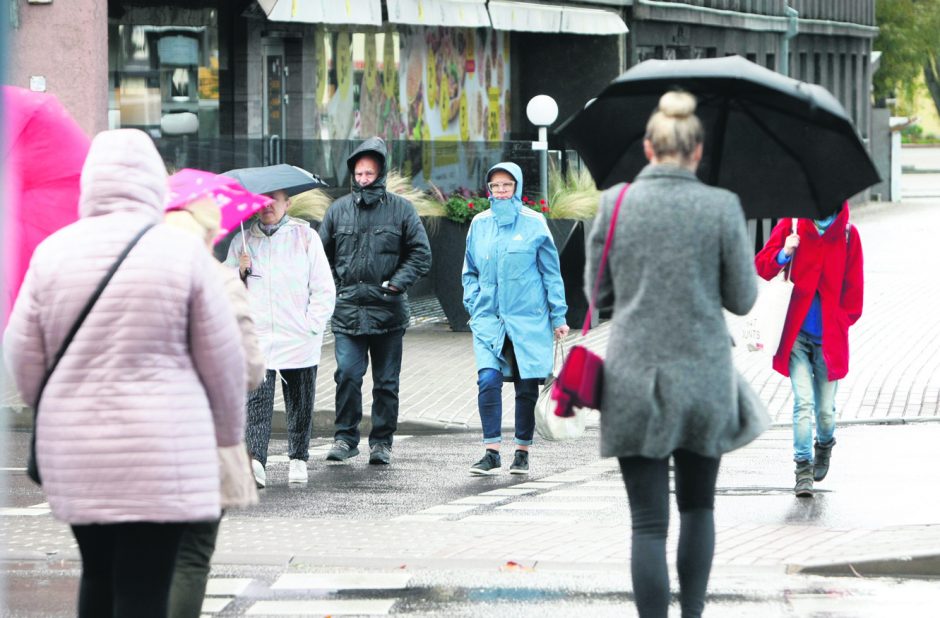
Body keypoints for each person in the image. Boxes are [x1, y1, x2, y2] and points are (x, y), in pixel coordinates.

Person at [3, 129, 247, 618]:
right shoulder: (184, 255)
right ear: (153, 182)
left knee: (97, 571)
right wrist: (225, 434)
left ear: (92, 183)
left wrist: (48, 406)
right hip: (163, 452)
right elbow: (224, 362)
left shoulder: (53, 253)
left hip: (76, 451)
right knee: (146, 585)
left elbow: (21, 357)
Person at [584, 92, 766, 618]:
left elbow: (599, 297)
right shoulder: (721, 206)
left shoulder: (614, 203)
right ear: (698, 151)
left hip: (633, 378)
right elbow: (742, 298)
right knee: (698, 508)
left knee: (646, 524)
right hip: (704, 378)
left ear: (647, 147)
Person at [165, 194, 266, 618]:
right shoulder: (219, 282)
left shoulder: (131, 278)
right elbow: (251, 369)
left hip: (136, 442)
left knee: (137, 561)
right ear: (210, 235)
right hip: (201, 439)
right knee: (191, 557)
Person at [318, 136, 432, 465]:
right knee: (348, 375)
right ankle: (345, 437)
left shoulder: (402, 210)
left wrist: (396, 284)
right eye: (358, 174)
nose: (364, 180)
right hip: (348, 312)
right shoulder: (337, 211)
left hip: (388, 311)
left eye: (369, 173)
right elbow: (319, 256)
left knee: (385, 383)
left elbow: (421, 254)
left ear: (380, 172)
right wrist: (337, 287)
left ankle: (382, 442)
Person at [462, 162, 569, 475]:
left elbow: (551, 273)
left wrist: (558, 316)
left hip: (528, 320)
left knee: (526, 388)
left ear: (517, 187)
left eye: (506, 185)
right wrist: (472, 302)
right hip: (489, 320)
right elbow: (469, 270)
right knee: (488, 380)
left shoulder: (534, 224)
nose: (500, 191)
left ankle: (522, 450)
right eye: (495, 186)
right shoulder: (479, 224)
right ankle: (491, 451)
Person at [225, 186, 336, 487]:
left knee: (300, 399)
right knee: (256, 400)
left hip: (298, 335)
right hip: (259, 335)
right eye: (261, 201)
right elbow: (223, 286)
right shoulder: (244, 242)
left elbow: (324, 287)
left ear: (287, 203)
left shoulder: (305, 238)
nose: (267, 206)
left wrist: (312, 324)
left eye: (273, 200)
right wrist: (239, 271)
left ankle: (298, 457)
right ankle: (256, 462)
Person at [755, 202, 864, 497]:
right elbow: (762, 267)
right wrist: (784, 252)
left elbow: (855, 296)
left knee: (825, 412)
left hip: (829, 340)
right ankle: (802, 469)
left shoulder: (848, 235)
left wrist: (839, 320)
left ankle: (825, 443)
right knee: (803, 403)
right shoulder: (792, 225)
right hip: (796, 338)